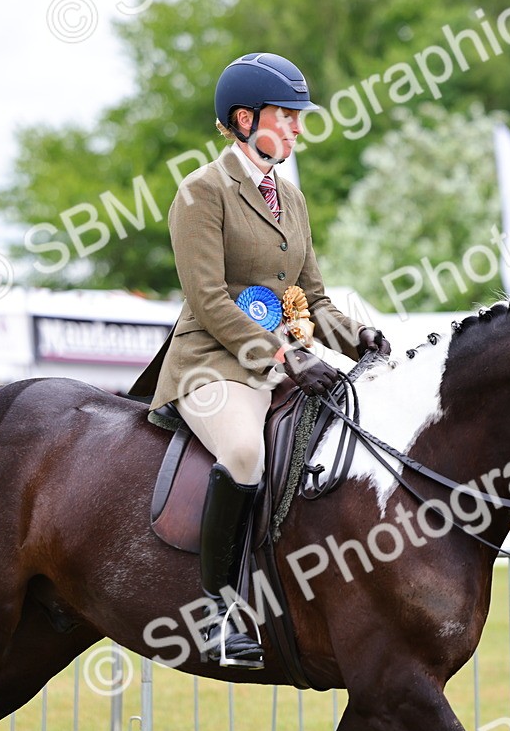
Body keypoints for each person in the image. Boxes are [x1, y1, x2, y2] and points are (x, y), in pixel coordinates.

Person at [147, 53, 390, 669]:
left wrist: (358, 336)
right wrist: (282, 353)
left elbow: (311, 298)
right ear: (245, 118)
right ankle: (216, 609)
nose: (300, 128)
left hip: (287, 358)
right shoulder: (201, 193)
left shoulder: (292, 199)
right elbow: (207, 301)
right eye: (289, 116)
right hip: (211, 363)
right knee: (246, 454)